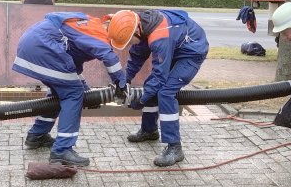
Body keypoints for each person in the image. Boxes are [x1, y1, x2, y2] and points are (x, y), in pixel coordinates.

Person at [12, 12, 127, 166]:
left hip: (34, 45)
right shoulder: (99, 33)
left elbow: (71, 66)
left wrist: (85, 89)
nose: (111, 44)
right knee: (73, 94)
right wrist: (121, 84)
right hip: (44, 49)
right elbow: (110, 57)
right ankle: (62, 150)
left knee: (61, 93)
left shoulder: (88, 24)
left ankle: (37, 136)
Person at [107, 9, 209, 167]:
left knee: (166, 92)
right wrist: (123, 81)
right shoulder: (141, 25)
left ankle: (175, 147)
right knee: (151, 86)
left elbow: (160, 77)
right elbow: (136, 58)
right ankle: (149, 130)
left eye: (129, 41)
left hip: (192, 53)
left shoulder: (159, 35)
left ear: (136, 31)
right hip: (176, 47)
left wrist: (141, 99)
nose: (128, 45)